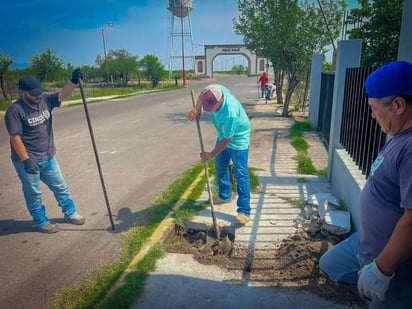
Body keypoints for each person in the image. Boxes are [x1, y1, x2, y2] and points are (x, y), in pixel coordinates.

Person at [319, 60, 412, 307]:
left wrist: (382, 269)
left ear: (398, 105)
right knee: (331, 264)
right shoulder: (399, 135)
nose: (371, 114)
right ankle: (368, 287)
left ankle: (382, 291)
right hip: (366, 244)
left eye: (374, 107)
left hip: (392, 265)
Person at [4, 69, 85, 234]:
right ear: (22, 92)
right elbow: (15, 137)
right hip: (27, 160)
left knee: (61, 187)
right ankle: (40, 221)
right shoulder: (15, 111)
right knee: (34, 193)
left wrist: (73, 82)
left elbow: (62, 94)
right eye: (33, 94)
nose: (38, 96)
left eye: (39, 92)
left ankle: (70, 213)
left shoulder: (45, 100)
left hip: (48, 156)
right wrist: (26, 160)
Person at [187, 84, 252, 224]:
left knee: (241, 173)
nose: (210, 111)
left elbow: (228, 139)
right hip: (224, 134)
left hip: (238, 139)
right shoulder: (212, 89)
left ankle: (244, 211)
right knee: (220, 166)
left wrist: (211, 153)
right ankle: (224, 196)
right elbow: (200, 95)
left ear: (221, 99)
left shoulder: (230, 113)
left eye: (212, 108)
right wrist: (197, 107)